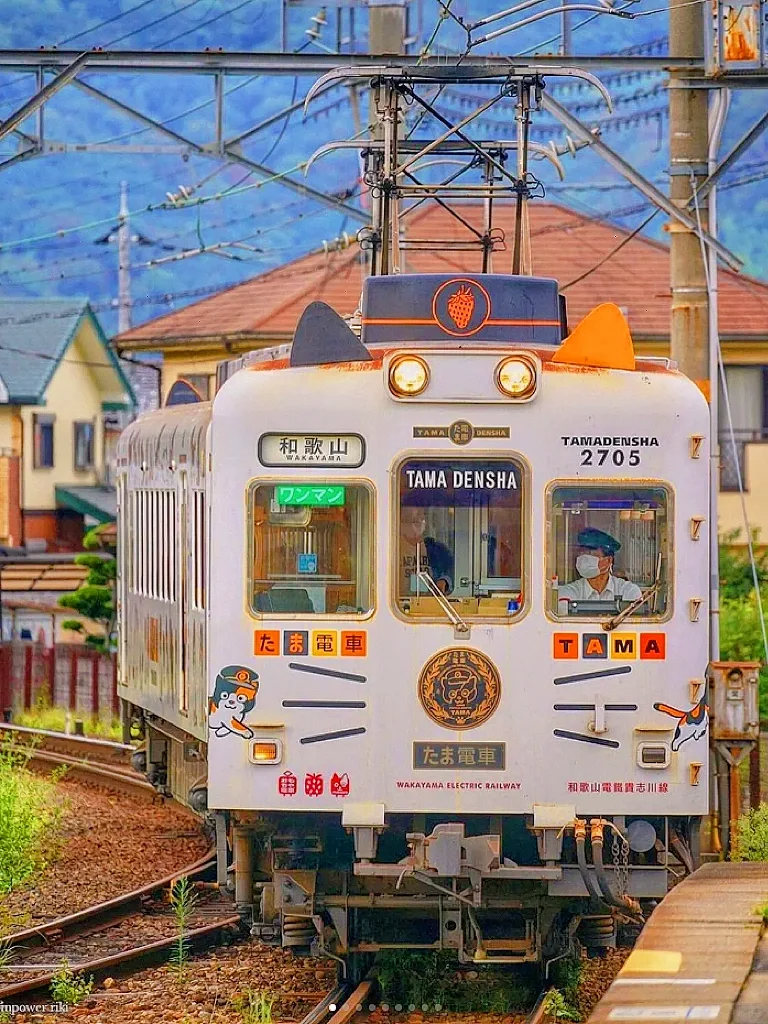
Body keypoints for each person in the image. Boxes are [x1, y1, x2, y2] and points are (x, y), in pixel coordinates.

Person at [557, 527, 641, 608]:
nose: (584, 558)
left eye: (591, 554)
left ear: (608, 560)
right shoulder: (568, 592)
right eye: (581, 553)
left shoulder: (628, 591)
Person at [400, 506, 454, 596]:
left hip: (430, 605)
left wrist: (444, 581)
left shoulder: (439, 551)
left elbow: (453, 574)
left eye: (420, 517)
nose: (415, 522)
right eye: (408, 519)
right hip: (400, 606)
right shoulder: (391, 550)